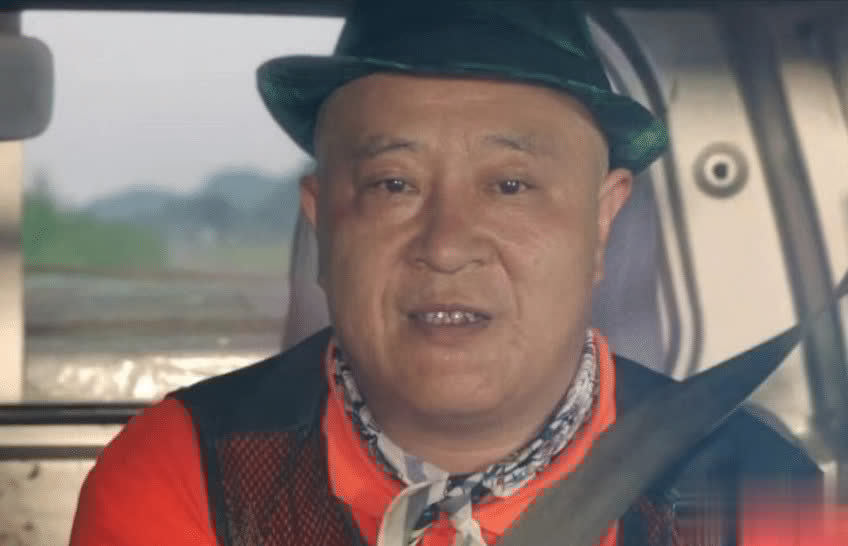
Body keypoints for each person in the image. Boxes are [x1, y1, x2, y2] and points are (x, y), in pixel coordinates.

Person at [69, 2, 819, 545]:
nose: (448, 245)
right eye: (393, 184)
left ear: (600, 222)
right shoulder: (188, 471)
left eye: (510, 186)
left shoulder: (753, 487)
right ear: (322, 223)